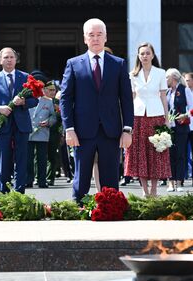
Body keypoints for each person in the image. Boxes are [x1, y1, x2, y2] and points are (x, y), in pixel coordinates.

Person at [60, 18, 134, 203]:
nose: (95, 38)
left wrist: (127, 129)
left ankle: (111, 209)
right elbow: (66, 99)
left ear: (106, 37)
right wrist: (69, 129)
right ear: (85, 38)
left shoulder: (118, 64)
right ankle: (79, 208)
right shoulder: (73, 64)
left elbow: (126, 99)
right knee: (81, 175)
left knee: (110, 175)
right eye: (91, 35)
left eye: (99, 34)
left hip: (111, 130)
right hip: (82, 131)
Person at [0, 47, 39, 194]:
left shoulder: (25, 77)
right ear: (1, 60)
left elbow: (34, 100)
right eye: (6, 57)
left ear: (16, 59)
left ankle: (19, 193)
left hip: (22, 125)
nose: (9, 60)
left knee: (22, 160)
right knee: (3, 160)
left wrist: (24, 103)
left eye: (11, 57)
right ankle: (3, 192)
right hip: (3, 124)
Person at [124, 42, 170, 197]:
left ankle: (155, 189)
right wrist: (126, 120)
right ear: (138, 56)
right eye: (142, 53)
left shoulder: (160, 73)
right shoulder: (132, 74)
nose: (145, 56)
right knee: (139, 152)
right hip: (137, 116)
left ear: (153, 55)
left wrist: (167, 118)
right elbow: (130, 98)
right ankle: (144, 190)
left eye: (147, 53)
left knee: (156, 151)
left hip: (156, 115)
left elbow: (163, 97)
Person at [27, 81, 57, 188]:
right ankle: (28, 180)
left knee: (42, 159)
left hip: (42, 133)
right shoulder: (27, 99)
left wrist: (48, 122)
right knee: (28, 159)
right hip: (29, 133)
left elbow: (53, 116)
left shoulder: (48, 101)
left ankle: (42, 180)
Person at [165, 68, 189, 192]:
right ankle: (171, 182)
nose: (165, 80)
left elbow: (192, 108)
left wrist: (185, 115)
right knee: (169, 154)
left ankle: (179, 182)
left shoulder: (185, 90)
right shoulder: (167, 92)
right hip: (170, 127)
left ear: (173, 77)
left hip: (182, 127)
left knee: (180, 154)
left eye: (167, 77)